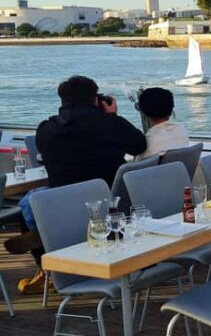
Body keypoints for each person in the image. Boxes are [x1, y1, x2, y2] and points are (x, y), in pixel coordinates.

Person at [9, 76, 147, 294]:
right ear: (96, 99)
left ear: (62, 100)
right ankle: (52, 256)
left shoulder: (46, 129)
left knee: (29, 204)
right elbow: (140, 145)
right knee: (32, 202)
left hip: (62, 204)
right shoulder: (109, 123)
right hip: (108, 203)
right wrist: (113, 116)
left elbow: (44, 154)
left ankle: (48, 267)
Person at [137, 87, 190, 158]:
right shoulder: (181, 131)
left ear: (145, 113)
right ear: (171, 110)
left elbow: (138, 166)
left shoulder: (148, 143)